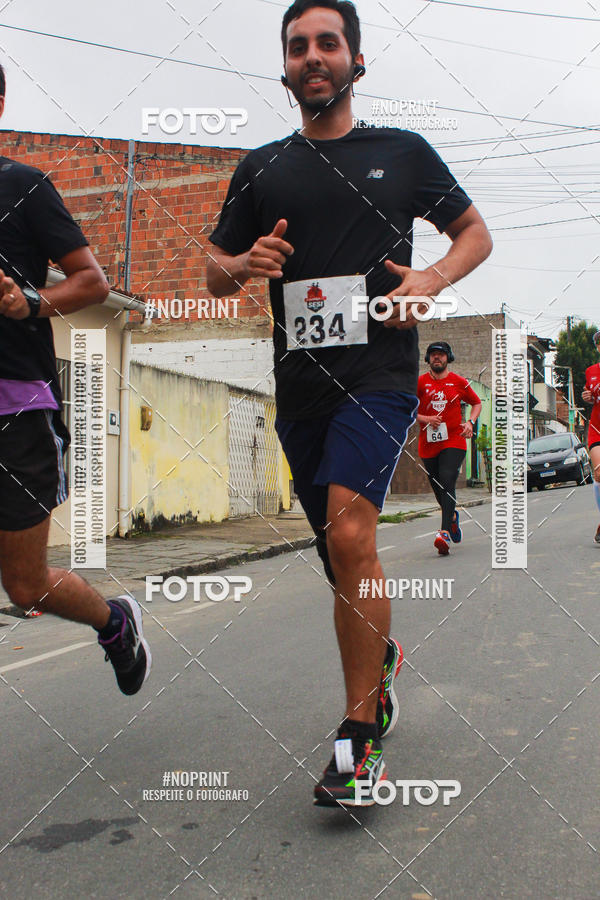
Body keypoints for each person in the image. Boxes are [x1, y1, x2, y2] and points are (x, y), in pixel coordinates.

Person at [207, 0, 492, 806]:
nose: (313, 56)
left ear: (355, 62)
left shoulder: (401, 153)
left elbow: (473, 232)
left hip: (379, 378)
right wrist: (244, 264)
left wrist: (432, 280)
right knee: (343, 560)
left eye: (328, 42)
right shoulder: (261, 168)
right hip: (300, 390)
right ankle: (384, 662)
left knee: (352, 527)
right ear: (287, 68)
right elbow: (211, 274)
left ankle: (358, 739)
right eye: (298, 46)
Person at [0, 63, 151, 695]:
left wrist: (28, 303)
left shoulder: (24, 187)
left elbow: (92, 281)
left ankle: (115, 623)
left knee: (25, 585)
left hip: (17, 409)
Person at [417, 342, 481, 555]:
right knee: (438, 487)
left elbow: (477, 403)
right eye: (433, 355)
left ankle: (444, 532)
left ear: (448, 358)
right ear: (428, 359)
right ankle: (452, 517)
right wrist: (425, 418)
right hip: (428, 443)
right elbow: (406, 408)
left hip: (454, 439)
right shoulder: (420, 383)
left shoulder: (458, 382)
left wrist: (470, 422)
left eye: (441, 355)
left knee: (447, 478)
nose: (437, 358)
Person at [581, 330, 600, 544]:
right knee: (599, 472)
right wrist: (586, 396)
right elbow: (589, 394)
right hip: (597, 426)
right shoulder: (591, 371)